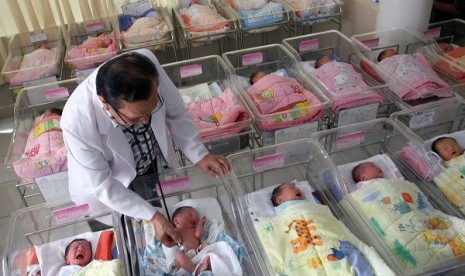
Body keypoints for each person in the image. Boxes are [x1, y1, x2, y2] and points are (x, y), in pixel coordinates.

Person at [61, 49, 231, 247]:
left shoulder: (145, 67)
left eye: (152, 109)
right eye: (134, 118)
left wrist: (199, 154)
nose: (145, 122)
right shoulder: (77, 121)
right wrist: (153, 216)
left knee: (155, 221)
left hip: (145, 164)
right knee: (117, 241)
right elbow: (103, 186)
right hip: (103, 188)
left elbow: (176, 112)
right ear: (105, 104)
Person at [172, 206, 211, 274]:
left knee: (206, 245)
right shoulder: (176, 231)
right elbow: (169, 238)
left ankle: (208, 263)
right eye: (190, 215)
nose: (195, 218)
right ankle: (195, 270)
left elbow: (198, 234)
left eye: (197, 217)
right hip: (185, 257)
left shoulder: (193, 230)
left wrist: (200, 223)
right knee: (178, 255)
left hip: (198, 253)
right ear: (176, 221)